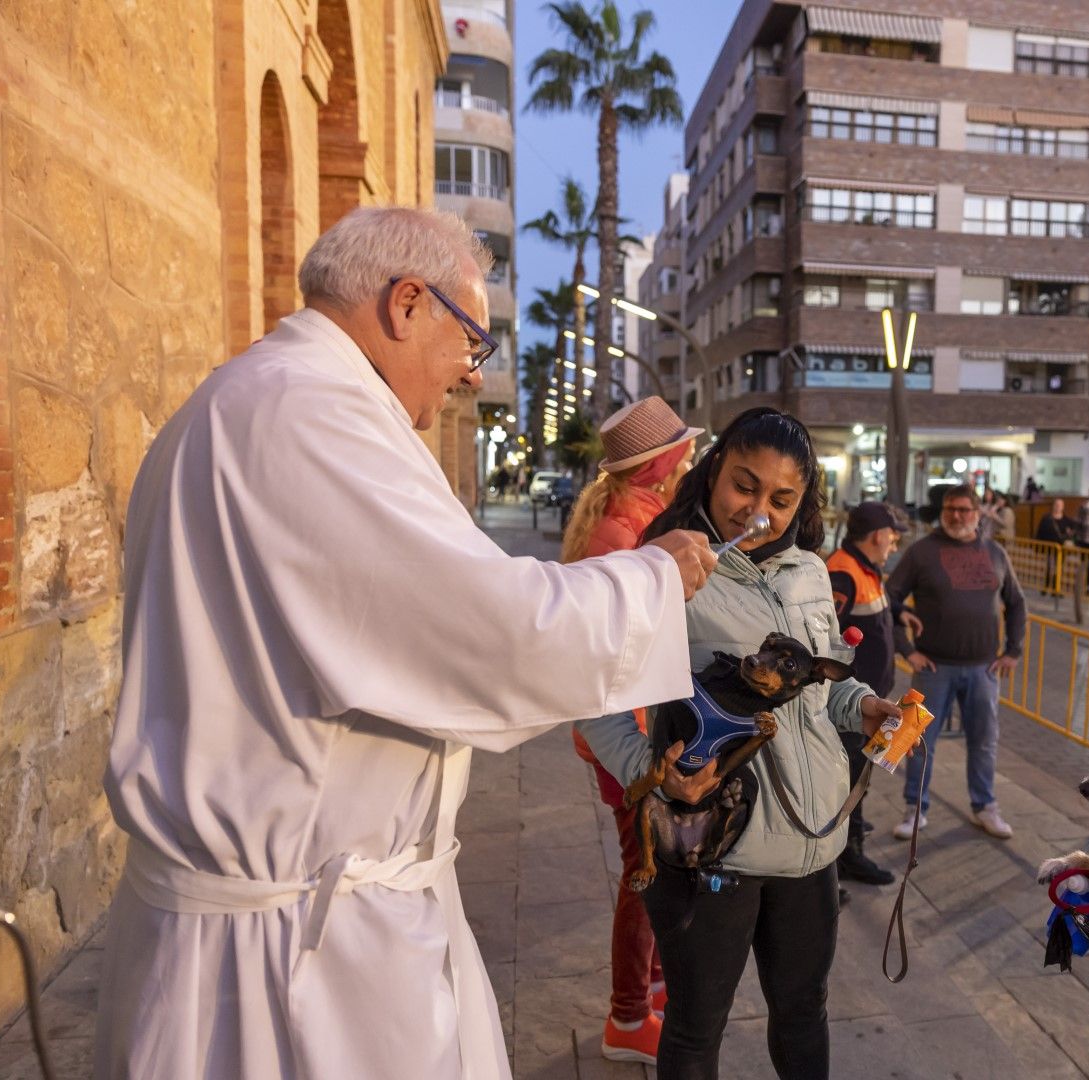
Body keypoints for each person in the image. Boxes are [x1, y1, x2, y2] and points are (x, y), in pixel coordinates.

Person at [92, 207, 717, 1080]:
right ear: (407, 303)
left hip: (283, 919)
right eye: (473, 348)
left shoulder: (242, 400)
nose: (467, 380)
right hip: (298, 958)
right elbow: (484, 630)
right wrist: (655, 579)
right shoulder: (308, 415)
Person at [577, 407, 901, 1080]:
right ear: (712, 473)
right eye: (743, 487)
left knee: (804, 1009)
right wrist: (651, 773)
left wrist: (864, 706)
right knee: (696, 1030)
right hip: (716, 851)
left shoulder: (809, 572)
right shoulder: (666, 567)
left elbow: (822, 686)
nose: (759, 511)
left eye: (782, 499)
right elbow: (594, 703)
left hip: (815, 845)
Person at [559, 396, 702, 1064]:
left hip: (640, 732)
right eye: (686, 451)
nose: (695, 458)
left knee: (652, 866)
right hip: (632, 740)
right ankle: (625, 1017)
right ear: (666, 464)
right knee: (644, 874)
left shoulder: (636, 521)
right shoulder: (628, 537)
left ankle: (650, 982)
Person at [887, 485, 1026, 841]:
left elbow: (1017, 602)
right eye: (950, 509)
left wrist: (1013, 650)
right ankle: (914, 810)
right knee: (915, 739)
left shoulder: (995, 553)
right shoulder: (921, 552)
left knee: (984, 741)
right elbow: (889, 601)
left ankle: (985, 806)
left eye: (965, 509)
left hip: (983, 669)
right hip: (932, 667)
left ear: (978, 513)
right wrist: (907, 650)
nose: (957, 516)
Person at [825, 501, 921, 887]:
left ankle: (852, 840)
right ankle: (843, 860)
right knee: (848, 780)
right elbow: (828, 636)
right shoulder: (842, 573)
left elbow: (881, 602)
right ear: (879, 535)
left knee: (862, 774)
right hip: (850, 705)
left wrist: (899, 613)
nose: (894, 545)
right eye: (893, 538)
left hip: (870, 700)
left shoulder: (865, 567)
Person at [1035, 498, 1079, 596]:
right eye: (1056, 504)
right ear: (1053, 506)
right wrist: (1038, 546)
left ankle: (1056, 589)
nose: (1058, 507)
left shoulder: (1067, 520)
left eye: (1060, 505)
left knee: (1059, 569)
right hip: (1049, 547)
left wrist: (1070, 533)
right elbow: (1040, 532)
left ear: (1063, 507)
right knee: (1049, 568)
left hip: (1060, 549)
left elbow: (1074, 530)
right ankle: (1046, 587)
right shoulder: (1046, 518)